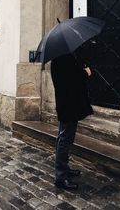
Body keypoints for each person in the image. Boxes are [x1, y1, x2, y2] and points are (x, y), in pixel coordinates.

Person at [51, 53, 93, 190]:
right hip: (68, 105)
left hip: (68, 105)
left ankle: (64, 168)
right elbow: (71, 79)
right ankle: (61, 177)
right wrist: (85, 73)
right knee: (64, 138)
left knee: (65, 138)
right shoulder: (62, 58)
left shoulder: (61, 58)